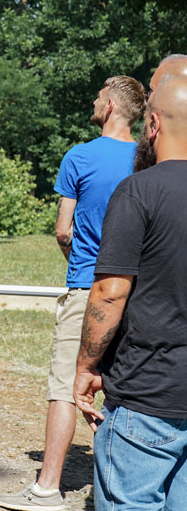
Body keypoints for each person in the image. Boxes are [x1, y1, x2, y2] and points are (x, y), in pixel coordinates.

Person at [0, 75, 146, 511]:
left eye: (100, 98)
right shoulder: (147, 159)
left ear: (112, 107)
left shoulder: (79, 157)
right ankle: (118, 488)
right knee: (123, 389)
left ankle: (47, 488)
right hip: (137, 291)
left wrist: (78, 261)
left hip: (87, 287)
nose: (94, 102)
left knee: (66, 385)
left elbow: (64, 229)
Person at [73, 76, 187, 510]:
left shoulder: (138, 191)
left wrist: (86, 365)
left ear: (153, 124)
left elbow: (108, 293)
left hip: (147, 398)